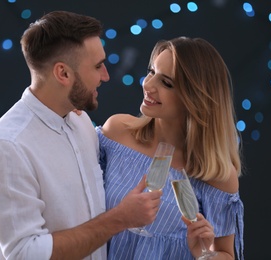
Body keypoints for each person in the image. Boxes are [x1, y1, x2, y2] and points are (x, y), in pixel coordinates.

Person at [0, 11, 162, 260]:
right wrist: (119, 219)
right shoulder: (7, 146)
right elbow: (25, 254)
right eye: (97, 66)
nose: (105, 75)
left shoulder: (80, 121)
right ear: (63, 74)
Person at [96, 37, 244, 259]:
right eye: (151, 72)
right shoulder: (116, 132)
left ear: (195, 97)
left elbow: (225, 254)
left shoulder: (216, 175)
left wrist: (204, 254)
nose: (147, 85)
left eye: (166, 83)